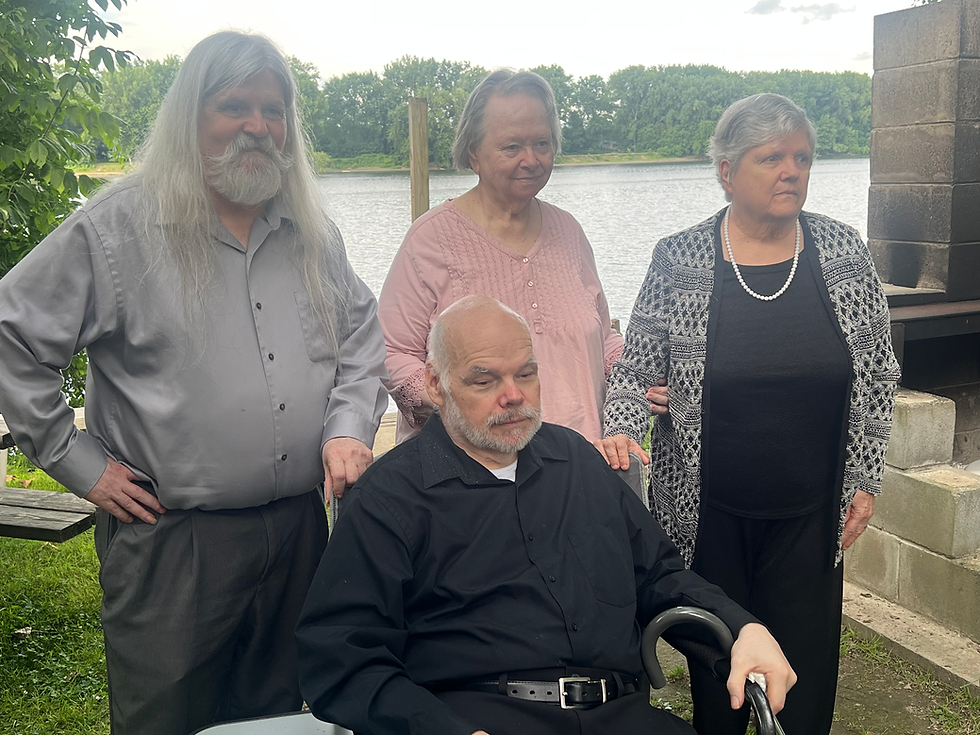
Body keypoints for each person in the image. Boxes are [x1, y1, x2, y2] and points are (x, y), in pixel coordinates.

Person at [0, 31, 387, 735]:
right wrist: (78, 463)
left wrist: (347, 429)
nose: (257, 126)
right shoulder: (120, 228)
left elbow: (363, 337)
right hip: (172, 540)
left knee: (278, 718)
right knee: (163, 720)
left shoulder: (311, 232)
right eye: (233, 105)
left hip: (299, 530)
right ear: (190, 116)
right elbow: (11, 333)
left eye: (273, 110)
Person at [296, 295, 796, 735]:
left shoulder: (577, 461)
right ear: (434, 384)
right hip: (480, 718)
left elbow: (661, 575)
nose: (512, 395)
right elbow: (340, 657)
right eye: (484, 379)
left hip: (620, 717)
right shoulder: (391, 498)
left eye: (526, 373)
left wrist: (744, 627)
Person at [597, 93, 901, 735]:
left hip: (811, 519)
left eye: (802, 157)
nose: (792, 170)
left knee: (805, 680)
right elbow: (634, 370)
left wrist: (866, 480)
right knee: (721, 685)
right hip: (709, 517)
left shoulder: (843, 251)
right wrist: (622, 427)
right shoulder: (679, 258)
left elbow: (877, 376)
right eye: (772, 158)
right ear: (727, 170)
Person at [377, 69, 623, 445]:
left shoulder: (569, 231)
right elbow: (391, 352)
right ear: (474, 154)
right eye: (511, 147)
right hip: (471, 481)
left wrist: (637, 373)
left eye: (541, 143)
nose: (531, 159)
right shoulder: (429, 240)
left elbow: (601, 337)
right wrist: (455, 404)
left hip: (577, 468)